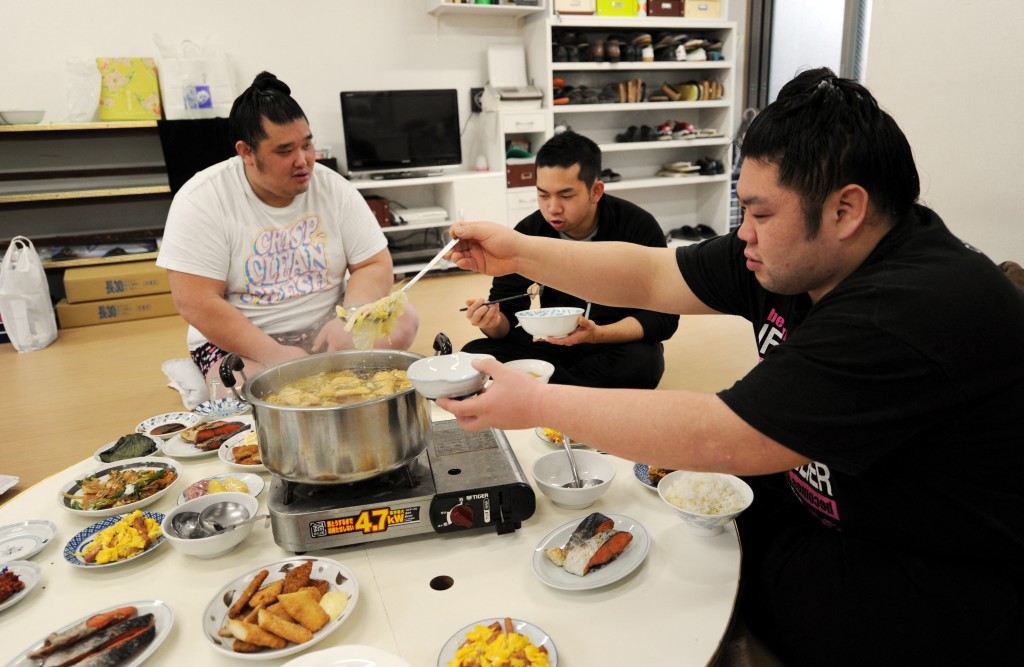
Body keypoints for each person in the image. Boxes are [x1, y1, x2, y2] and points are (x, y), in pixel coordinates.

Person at [438, 68, 1024, 664]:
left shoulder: (910, 306)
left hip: (938, 563)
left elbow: (727, 435)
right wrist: (520, 250)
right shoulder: (799, 253)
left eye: (760, 214)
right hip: (830, 490)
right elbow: (653, 273)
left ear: (846, 209)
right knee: (677, 526)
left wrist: (536, 403)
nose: (743, 234)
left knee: (704, 595)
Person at [157, 72, 418, 385]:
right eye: (284, 151)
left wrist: (350, 319)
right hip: (248, 340)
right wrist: (275, 354)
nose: (303, 161)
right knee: (254, 390)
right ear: (246, 152)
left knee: (405, 320)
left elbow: (373, 264)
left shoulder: (333, 187)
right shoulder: (202, 199)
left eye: (307, 145)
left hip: (325, 328)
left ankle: (329, 367)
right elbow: (195, 301)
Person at [461, 131, 678, 389]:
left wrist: (599, 334)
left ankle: (544, 388)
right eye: (543, 195)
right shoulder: (530, 231)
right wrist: (493, 322)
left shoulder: (636, 227)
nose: (553, 208)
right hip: (551, 342)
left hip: (611, 341)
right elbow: (505, 314)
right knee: (473, 353)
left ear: (595, 191)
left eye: (566, 196)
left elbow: (664, 318)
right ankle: (566, 388)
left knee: (645, 362)